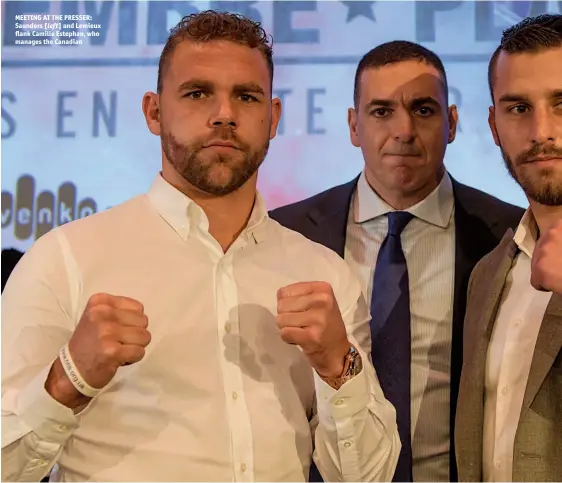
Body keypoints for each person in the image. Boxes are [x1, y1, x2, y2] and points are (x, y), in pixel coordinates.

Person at [0, 11, 401, 482]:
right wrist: (69, 379)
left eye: (246, 96)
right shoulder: (63, 260)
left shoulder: (323, 274)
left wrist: (339, 365)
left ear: (272, 118)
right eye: (197, 93)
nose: (225, 114)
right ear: (154, 111)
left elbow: (367, 477)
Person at [270, 41, 524, 482]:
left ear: (452, 123)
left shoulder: (511, 235)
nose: (404, 130)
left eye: (424, 110)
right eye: (382, 111)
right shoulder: (286, 234)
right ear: (354, 126)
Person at [455, 14, 562, 482]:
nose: (541, 131)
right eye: (518, 108)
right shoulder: (489, 272)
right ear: (495, 127)